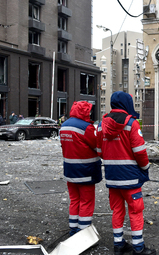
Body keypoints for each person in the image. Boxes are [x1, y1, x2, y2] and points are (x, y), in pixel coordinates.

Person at [97, 91, 156, 255]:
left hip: (112, 177)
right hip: (130, 178)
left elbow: (99, 151)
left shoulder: (102, 125)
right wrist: (145, 168)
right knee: (135, 211)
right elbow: (140, 152)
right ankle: (138, 248)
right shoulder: (131, 123)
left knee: (117, 211)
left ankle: (119, 245)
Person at [59, 101, 102, 236]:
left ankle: (73, 228)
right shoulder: (86, 127)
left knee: (74, 200)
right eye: (88, 111)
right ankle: (83, 231)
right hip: (86, 171)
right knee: (86, 201)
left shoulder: (64, 126)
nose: (90, 113)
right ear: (84, 111)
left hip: (69, 170)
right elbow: (97, 147)